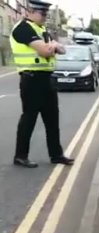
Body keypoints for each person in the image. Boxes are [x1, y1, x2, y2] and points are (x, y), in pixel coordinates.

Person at [9, 0, 74, 168]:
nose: (45, 16)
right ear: (29, 11)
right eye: (42, 13)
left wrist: (52, 45)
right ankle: (20, 156)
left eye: (46, 13)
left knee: (52, 119)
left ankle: (56, 155)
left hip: (47, 79)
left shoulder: (42, 30)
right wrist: (52, 46)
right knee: (29, 119)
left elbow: (63, 50)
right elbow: (46, 51)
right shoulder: (23, 28)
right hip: (31, 80)